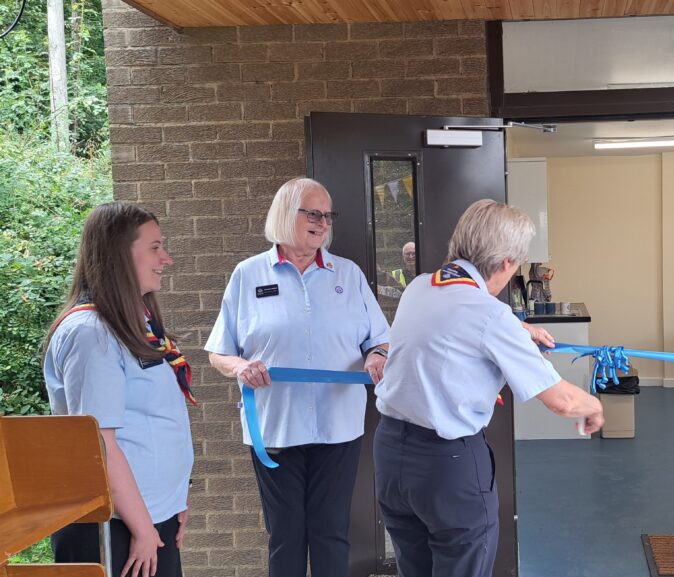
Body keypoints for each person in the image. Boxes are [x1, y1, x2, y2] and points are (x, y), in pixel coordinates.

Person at [373, 199, 604, 577]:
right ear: (506, 262)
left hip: (391, 456)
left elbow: (454, 321)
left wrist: (518, 328)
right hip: (446, 466)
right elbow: (561, 401)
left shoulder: (419, 287)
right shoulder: (491, 315)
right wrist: (593, 405)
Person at [205, 177, 390, 577]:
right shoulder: (248, 274)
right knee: (285, 537)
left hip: (338, 428)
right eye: (313, 214)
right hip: (274, 428)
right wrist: (241, 367)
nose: (323, 223)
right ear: (286, 214)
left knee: (331, 534)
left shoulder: (348, 275)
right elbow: (219, 352)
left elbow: (380, 339)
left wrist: (377, 356)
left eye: (328, 215)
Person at [43, 201, 193, 577]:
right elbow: (99, 443)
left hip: (149, 516)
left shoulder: (135, 320)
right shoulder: (91, 333)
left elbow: (155, 419)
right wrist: (143, 528)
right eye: (155, 247)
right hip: (115, 527)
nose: (167, 259)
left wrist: (174, 499)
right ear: (119, 254)